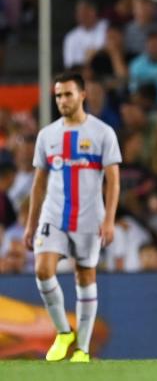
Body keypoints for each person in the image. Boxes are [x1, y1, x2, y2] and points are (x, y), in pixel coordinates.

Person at [22, 72, 121, 362]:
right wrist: (31, 222)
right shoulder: (47, 135)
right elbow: (39, 182)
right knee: (42, 270)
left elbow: (114, 180)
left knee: (85, 276)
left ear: (82, 95)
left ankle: (83, 349)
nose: (62, 100)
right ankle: (64, 332)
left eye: (68, 94)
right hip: (54, 216)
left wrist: (110, 219)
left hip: (90, 218)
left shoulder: (103, 132)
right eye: (58, 95)